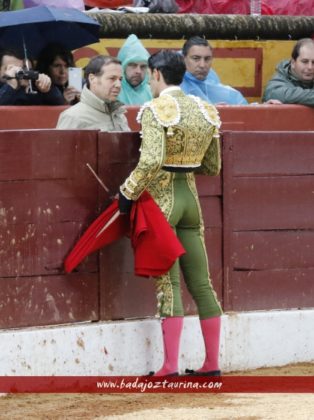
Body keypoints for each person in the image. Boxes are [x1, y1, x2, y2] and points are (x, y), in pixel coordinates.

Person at [119, 50, 223, 377]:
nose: (150, 81)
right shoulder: (205, 110)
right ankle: (211, 365)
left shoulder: (155, 110)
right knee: (202, 284)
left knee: (169, 284)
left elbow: (150, 161)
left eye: (151, 76)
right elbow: (212, 166)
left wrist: (127, 192)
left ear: (158, 75)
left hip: (165, 201)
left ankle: (169, 366)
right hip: (191, 199)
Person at [56, 55, 130, 131]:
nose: (118, 85)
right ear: (92, 79)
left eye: (120, 79)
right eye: (112, 78)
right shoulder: (72, 117)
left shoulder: (119, 115)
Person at [181, 36, 248, 105]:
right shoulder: (174, 86)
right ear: (183, 59)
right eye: (196, 58)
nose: (202, 65)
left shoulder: (230, 95)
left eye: (207, 59)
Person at [0, 49, 64, 105]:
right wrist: (10, 86)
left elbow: (60, 102)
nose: (16, 72)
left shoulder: (33, 89)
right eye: (11, 68)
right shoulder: (5, 90)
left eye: (20, 69)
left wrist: (48, 90)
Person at [263, 38, 314, 106]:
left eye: (313, 62)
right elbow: (277, 95)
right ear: (293, 63)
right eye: (305, 62)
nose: (310, 67)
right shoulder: (278, 81)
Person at [117, 34, 152, 105]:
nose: (138, 71)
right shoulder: (112, 92)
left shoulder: (152, 93)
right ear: (122, 67)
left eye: (143, 66)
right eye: (133, 65)